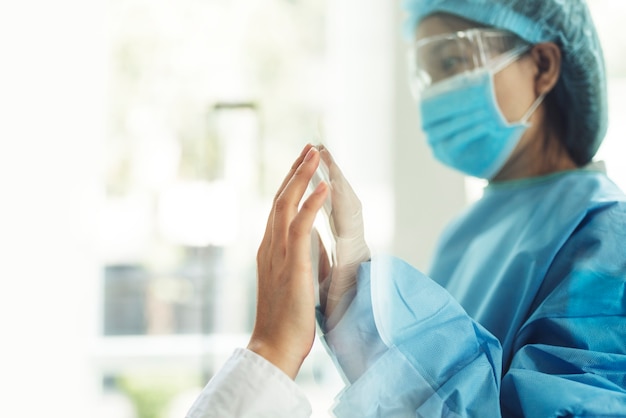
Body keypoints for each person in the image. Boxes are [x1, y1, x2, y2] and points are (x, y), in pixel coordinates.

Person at [186, 0, 626, 416]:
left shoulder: (606, 239)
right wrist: (352, 302)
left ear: (544, 65)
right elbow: (430, 398)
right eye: (427, 75)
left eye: (451, 63)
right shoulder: (466, 234)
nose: (436, 94)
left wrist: (278, 345)